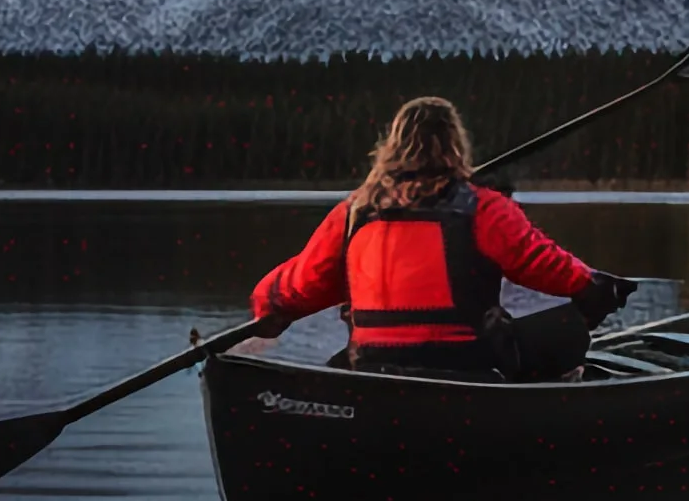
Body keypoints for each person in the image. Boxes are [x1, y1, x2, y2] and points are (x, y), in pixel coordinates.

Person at [245, 96, 634, 381]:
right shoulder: (483, 207)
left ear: (391, 147)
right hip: (465, 367)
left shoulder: (354, 213)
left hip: (375, 366)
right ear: (456, 145)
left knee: (339, 366)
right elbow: (541, 264)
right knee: (563, 332)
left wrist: (268, 308)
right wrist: (591, 284)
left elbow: (300, 284)